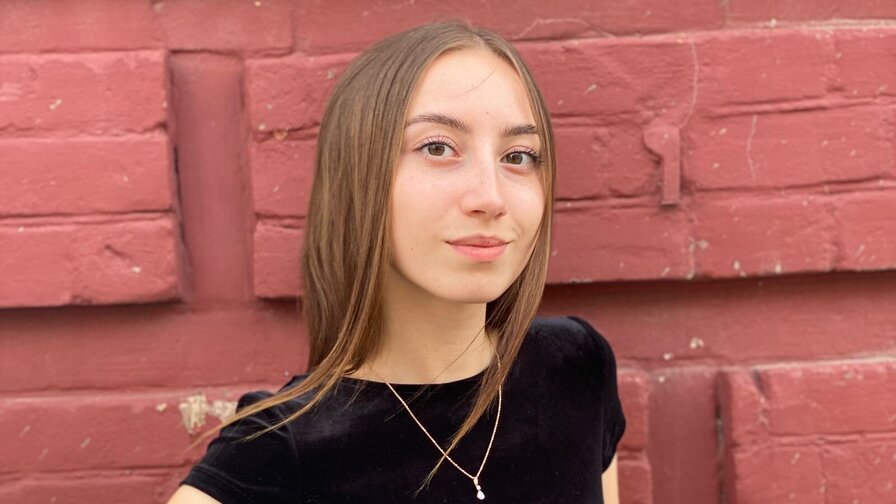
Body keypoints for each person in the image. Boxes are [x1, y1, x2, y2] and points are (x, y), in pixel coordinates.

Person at [167, 19, 625, 504]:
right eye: (437, 147)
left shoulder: (576, 368)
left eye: (518, 156)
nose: (491, 198)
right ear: (358, 176)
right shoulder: (275, 456)